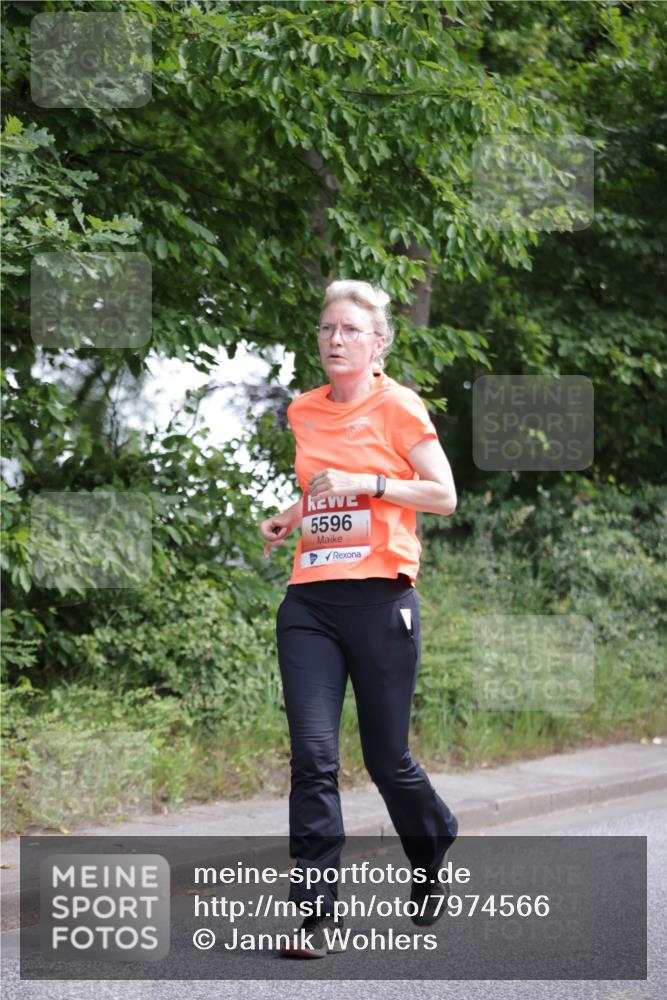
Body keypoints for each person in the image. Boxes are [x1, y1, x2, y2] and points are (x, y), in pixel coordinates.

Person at [258, 279, 459, 959]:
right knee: (313, 758)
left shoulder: (398, 405)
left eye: (349, 330)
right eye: (326, 328)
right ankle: (316, 917)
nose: (335, 339)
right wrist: (292, 515)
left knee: (386, 759)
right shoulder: (304, 410)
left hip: (381, 601)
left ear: (378, 344)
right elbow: (320, 487)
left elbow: (443, 495)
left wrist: (369, 483)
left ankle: (432, 841)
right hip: (311, 603)